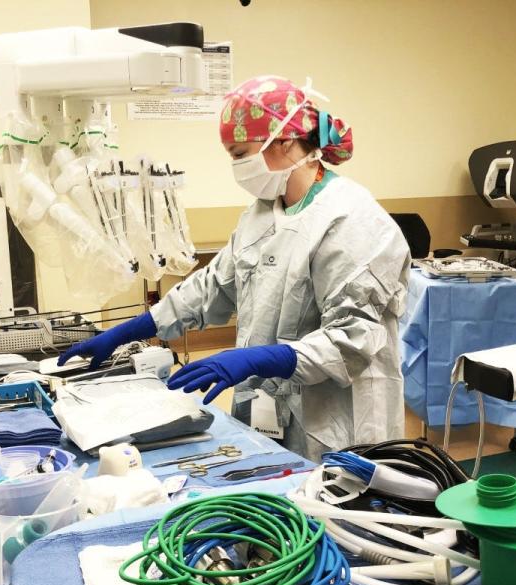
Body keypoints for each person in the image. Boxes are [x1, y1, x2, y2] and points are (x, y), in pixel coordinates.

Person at [59, 76, 410, 461]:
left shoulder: (354, 223)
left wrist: (259, 358)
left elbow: (352, 340)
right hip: (267, 407)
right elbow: (213, 286)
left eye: (241, 153)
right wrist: (130, 330)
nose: (237, 166)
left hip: (338, 420)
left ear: (285, 141)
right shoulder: (263, 212)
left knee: (332, 510)